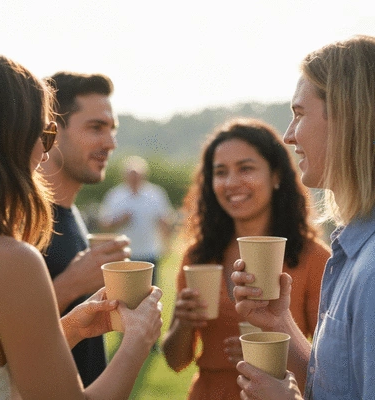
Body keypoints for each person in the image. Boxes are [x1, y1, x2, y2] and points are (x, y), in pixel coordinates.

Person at [0, 50, 162, 399]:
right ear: (7, 137)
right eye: (42, 134)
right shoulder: (10, 258)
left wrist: (72, 327)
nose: (45, 152)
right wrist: (139, 338)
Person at [233, 35, 375, 400]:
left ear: (348, 117)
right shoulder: (354, 247)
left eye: (299, 114)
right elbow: (343, 384)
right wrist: (279, 321)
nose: (288, 135)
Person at [161, 117, 330, 399]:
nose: (231, 182)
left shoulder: (313, 258)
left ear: (276, 175)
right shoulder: (198, 255)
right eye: (220, 172)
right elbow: (175, 361)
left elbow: (330, 371)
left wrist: (271, 353)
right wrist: (182, 322)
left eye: (246, 168)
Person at [41, 71, 133, 386]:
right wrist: (72, 284)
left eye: (112, 129)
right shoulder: (21, 220)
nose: (110, 143)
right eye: (96, 127)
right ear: (52, 128)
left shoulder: (72, 213)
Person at [98, 155, 175, 286]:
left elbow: (165, 221)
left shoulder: (156, 194)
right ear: (124, 176)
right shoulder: (115, 195)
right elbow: (104, 224)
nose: (134, 179)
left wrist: (167, 244)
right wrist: (120, 220)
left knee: (150, 292)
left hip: (149, 253)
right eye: (131, 175)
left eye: (137, 175)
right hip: (123, 256)